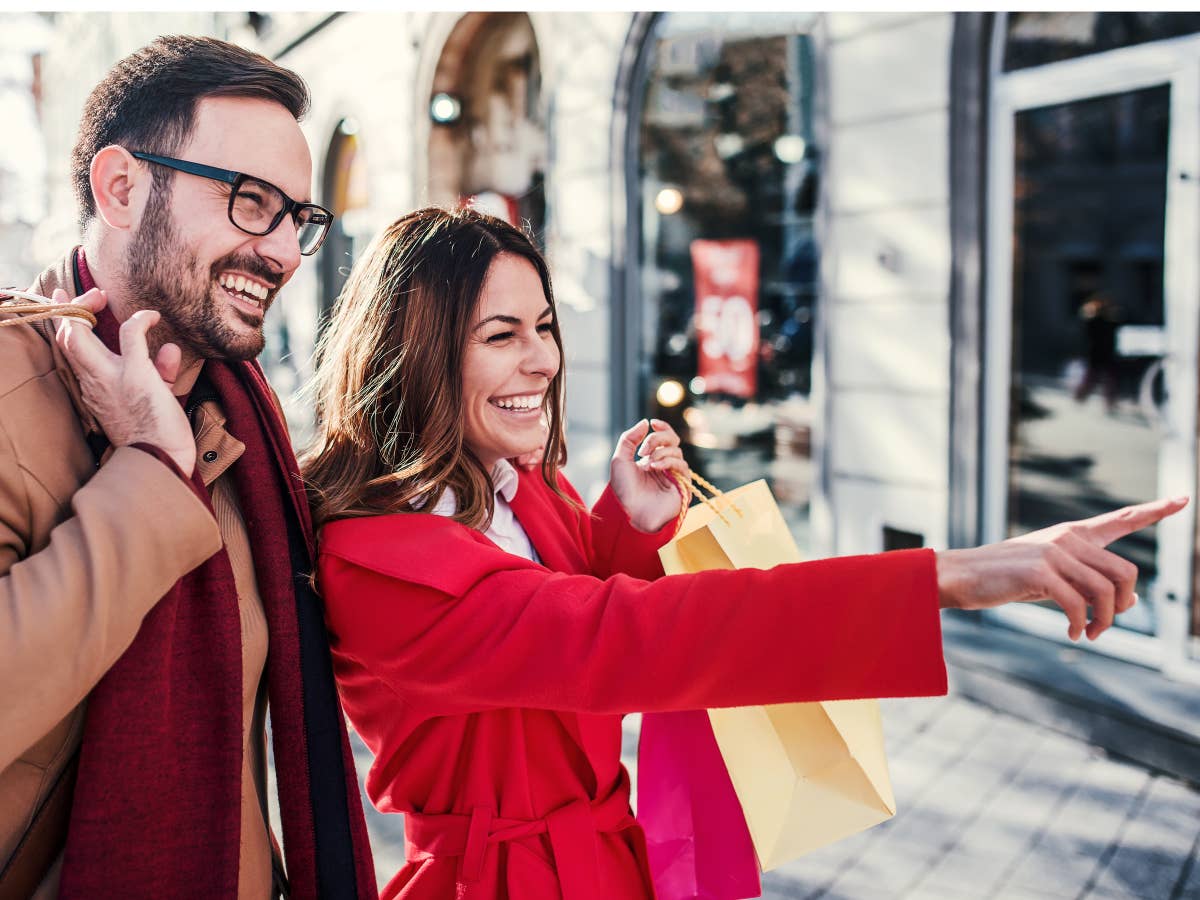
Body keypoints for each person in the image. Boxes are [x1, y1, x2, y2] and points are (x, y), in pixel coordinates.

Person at [300, 207, 1185, 900]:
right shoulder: (376, 560)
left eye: (544, 326)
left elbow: (567, 610)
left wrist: (630, 527)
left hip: (606, 859)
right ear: (414, 355)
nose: (543, 361)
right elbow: (621, 639)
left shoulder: (521, 485)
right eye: (501, 336)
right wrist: (957, 576)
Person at [0, 36, 375, 899]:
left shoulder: (244, 413)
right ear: (121, 188)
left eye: (299, 219)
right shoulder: (14, 391)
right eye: (250, 202)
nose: (281, 251)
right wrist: (149, 472)